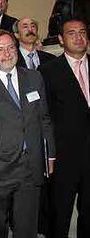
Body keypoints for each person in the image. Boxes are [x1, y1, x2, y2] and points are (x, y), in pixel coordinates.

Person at [0, 30, 55, 238]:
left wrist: (50, 152)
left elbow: (44, 118)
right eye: (0, 49)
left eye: (11, 48)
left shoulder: (34, 77)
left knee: (26, 227)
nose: (7, 53)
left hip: (30, 165)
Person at [39, 19, 90, 238]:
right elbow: (44, 116)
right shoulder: (48, 71)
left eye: (82, 32)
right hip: (63, 157)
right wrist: (49, 154)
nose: (78, 37)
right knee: (59, 216)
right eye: (71, 33)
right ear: (61, 39)